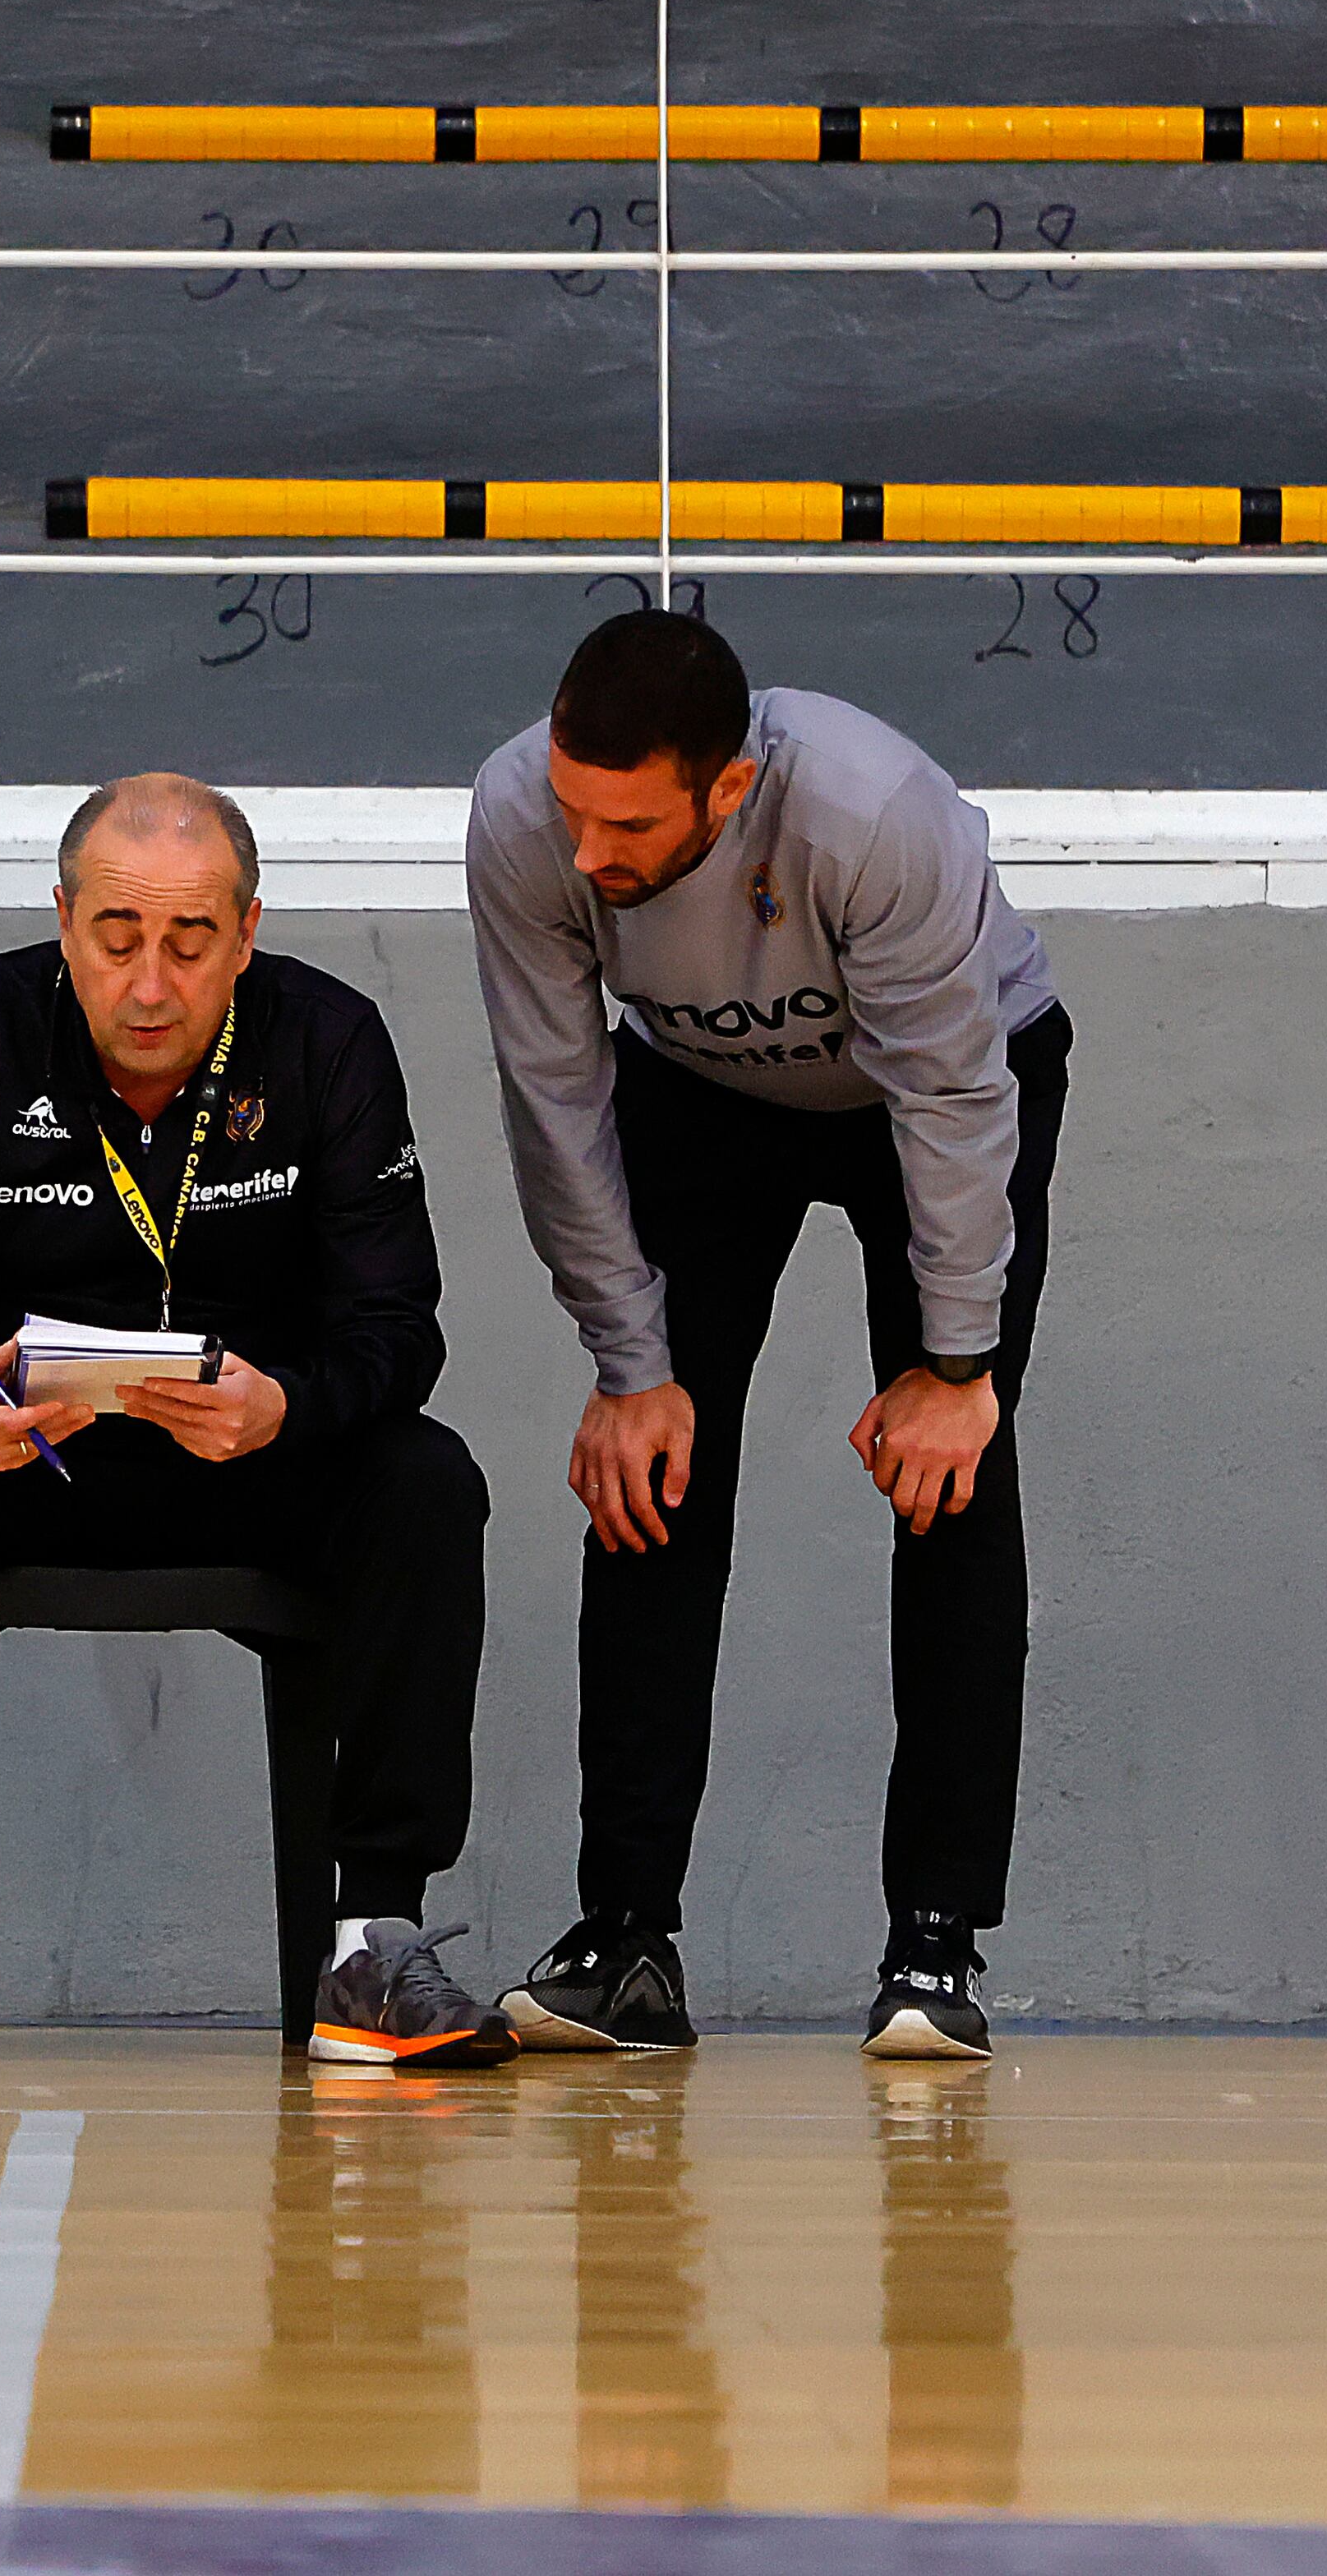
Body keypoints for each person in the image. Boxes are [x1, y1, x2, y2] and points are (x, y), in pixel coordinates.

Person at [0, 776, 512, 2071]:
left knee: (428, 1483)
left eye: (190, 943)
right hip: (18, 1459)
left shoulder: (329, 1042)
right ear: (63, 922)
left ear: (247, 933)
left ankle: (376, 1934)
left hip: (243, 1456)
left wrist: (288, 1408)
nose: (150, 984)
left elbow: (399, 1331)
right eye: (116, 939)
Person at [465, 612, 1067, 2061]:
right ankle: (625, 1939)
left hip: (934, 1092)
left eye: (629, 827)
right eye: (574, 812)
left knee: (952, 1481)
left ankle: (936, 1949)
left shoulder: (875, 816)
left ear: (729, 795)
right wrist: (630, 1367)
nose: (592, 857)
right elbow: (557, 1099)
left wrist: (959, 1365)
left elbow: (953, 1101)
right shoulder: (519, 820)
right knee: (648, 1483)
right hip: (698, 1091)